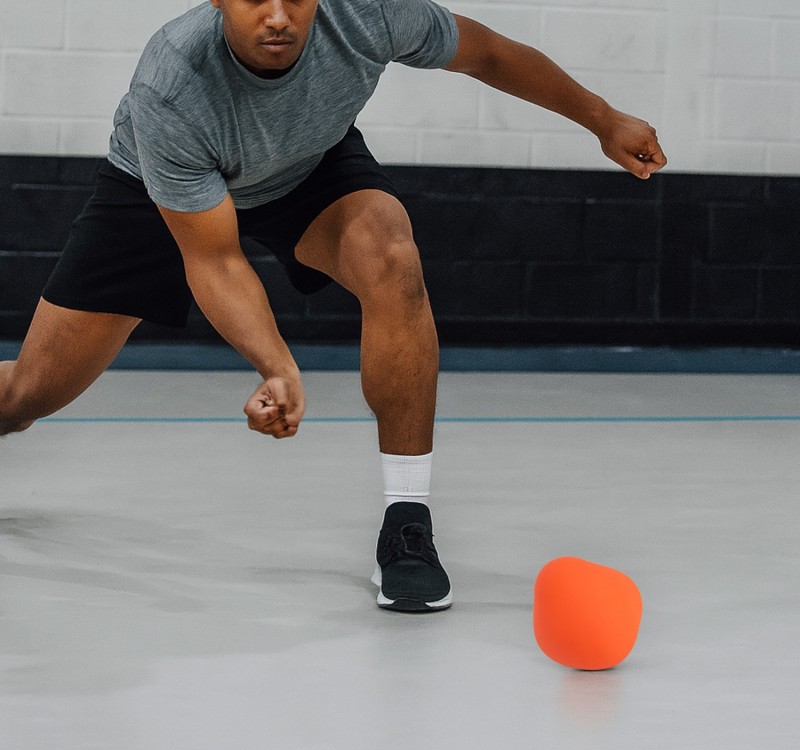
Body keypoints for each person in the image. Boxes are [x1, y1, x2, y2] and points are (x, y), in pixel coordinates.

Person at [0, 0, 666, 612]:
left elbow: (486, 52)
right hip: (155, 193)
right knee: (27, 397)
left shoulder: (367, 12)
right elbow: (215, 258)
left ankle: (407, 522)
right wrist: (278, 366)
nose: (278, 16)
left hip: (308, 166)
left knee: (392, 256)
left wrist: (603, 119)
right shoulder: (172, 82)